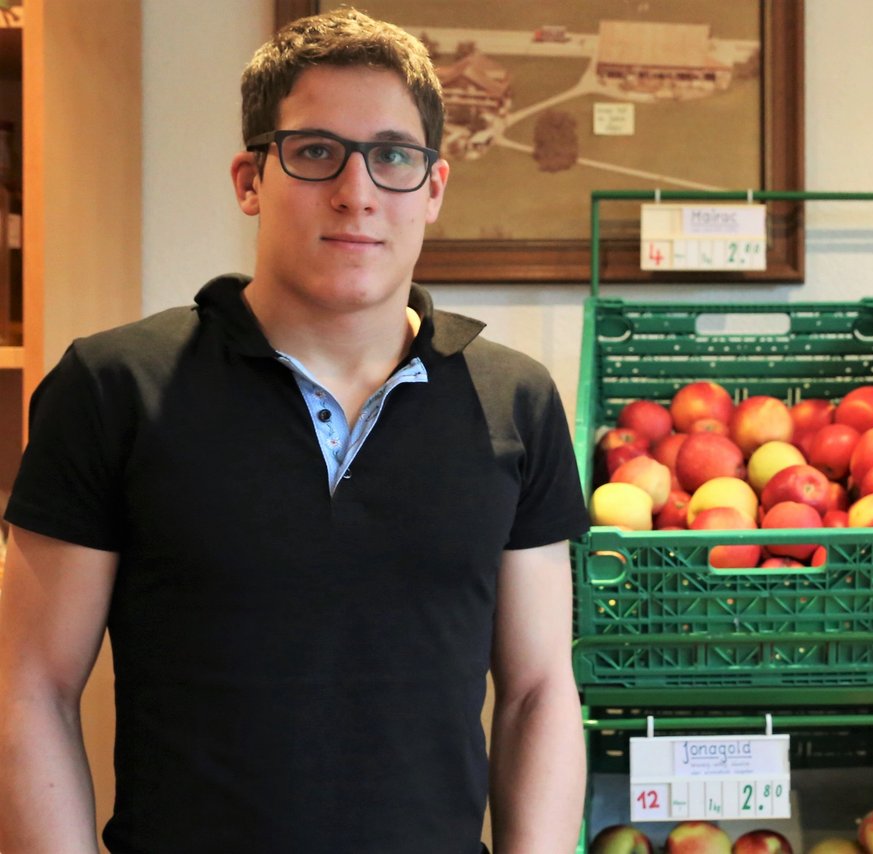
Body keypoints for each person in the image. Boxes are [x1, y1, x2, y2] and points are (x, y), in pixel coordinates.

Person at [0, 8, 589, 852]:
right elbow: (31, 691)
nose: (357, 192)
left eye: (393, 157)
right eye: (315, 152)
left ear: (433, 188)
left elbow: (537, 694)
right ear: (250, 179)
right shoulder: (113, 388)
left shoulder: (514, 402)